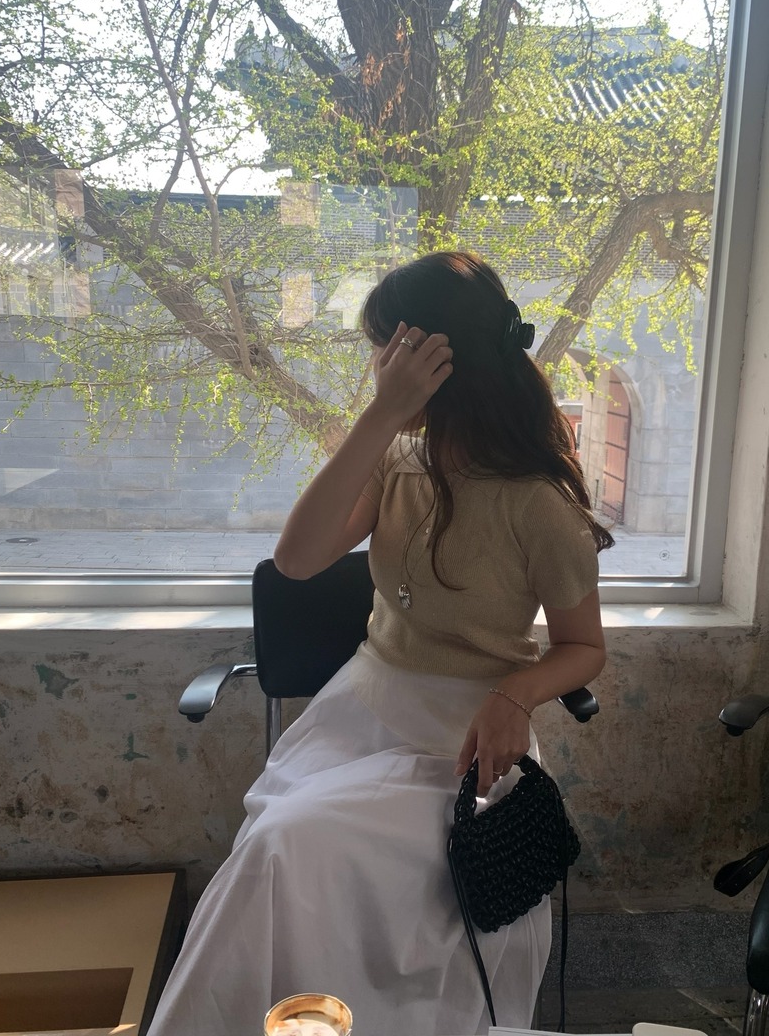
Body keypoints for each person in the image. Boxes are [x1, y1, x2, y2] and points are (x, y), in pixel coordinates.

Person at [148, 251, 609, 1036]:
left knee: (295, 852)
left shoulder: (539, 505)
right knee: (279, 855)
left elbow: (583, 648)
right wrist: (380, 417)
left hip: (464, 737)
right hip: (360, 711)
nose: (376, 366)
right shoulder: (398, 460)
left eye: (383, 350)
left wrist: (516, 694)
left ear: (431, 360)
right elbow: (297, 561)